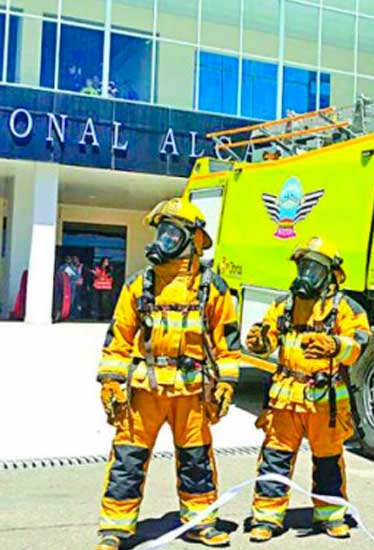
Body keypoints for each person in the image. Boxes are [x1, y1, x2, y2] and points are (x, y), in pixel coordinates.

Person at [95, 197, 241, 550]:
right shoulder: (137, 285)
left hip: (192, 392)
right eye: (162, 231)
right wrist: (112, 381)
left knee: (196, 462)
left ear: (192, 240)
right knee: (127, 461)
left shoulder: (213, 289)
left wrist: (225, 384)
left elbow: (227, 344)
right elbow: (118, 339)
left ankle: (200, 523)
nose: (163, 239)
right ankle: (115, 529)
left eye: (173, 233)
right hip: (144, 390)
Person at [244, 237, 370, 542]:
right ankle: (267, 517)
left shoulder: (345, 308)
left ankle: (330, 516)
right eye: (303, 267)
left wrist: (336, 345)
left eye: (313, 269)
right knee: (275, 458)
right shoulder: (284, 305)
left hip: (325, 403)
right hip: (286, 398)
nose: (306, 275)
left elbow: (361, 342)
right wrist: (260, 341)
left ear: (330, 274)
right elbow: (267, 338)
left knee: (328, 461)